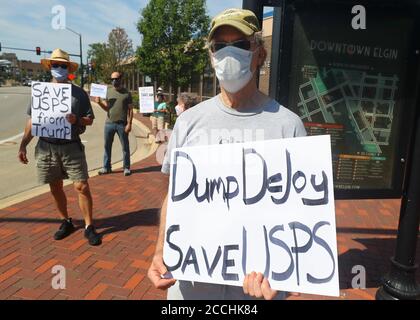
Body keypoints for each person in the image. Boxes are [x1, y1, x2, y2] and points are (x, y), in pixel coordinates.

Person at [147, 8, 307, 300]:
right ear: (211, 57)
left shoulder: (288, 125)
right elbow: (174, 196)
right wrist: (161, 249)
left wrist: (289, 272)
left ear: (260, 54)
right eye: (220, 46)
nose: (229, 54)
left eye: (241, 45)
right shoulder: (188, 122)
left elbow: (299, 213)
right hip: (192, 284)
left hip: (257, 289)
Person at [18, 48, 101, 246]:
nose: (59, 69)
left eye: (63, 66)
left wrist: (77, 119)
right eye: (55, 65)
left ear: (68, 68)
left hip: (71, 146)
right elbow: (32, 121)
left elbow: (89, 120)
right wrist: (23, 145)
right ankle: (66, 221)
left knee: (81, 186)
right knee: (55, 186)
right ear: (50, 67)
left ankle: (89, 226)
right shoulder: (41, 92)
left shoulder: (78, 93)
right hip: (47, 146)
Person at [95, 72, 133, 176]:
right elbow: (107, 108)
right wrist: (99, 103)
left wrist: (129, 124)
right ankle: (106, 167)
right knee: (107, 146)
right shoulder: (108, 92)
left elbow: (130, 110)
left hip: (122, 124)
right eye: (112, 79)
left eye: (116, 79)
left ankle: (126, 168)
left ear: (121, 79)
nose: (114, 81)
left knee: (125, 147)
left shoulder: (126, 93)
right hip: (109, 124)